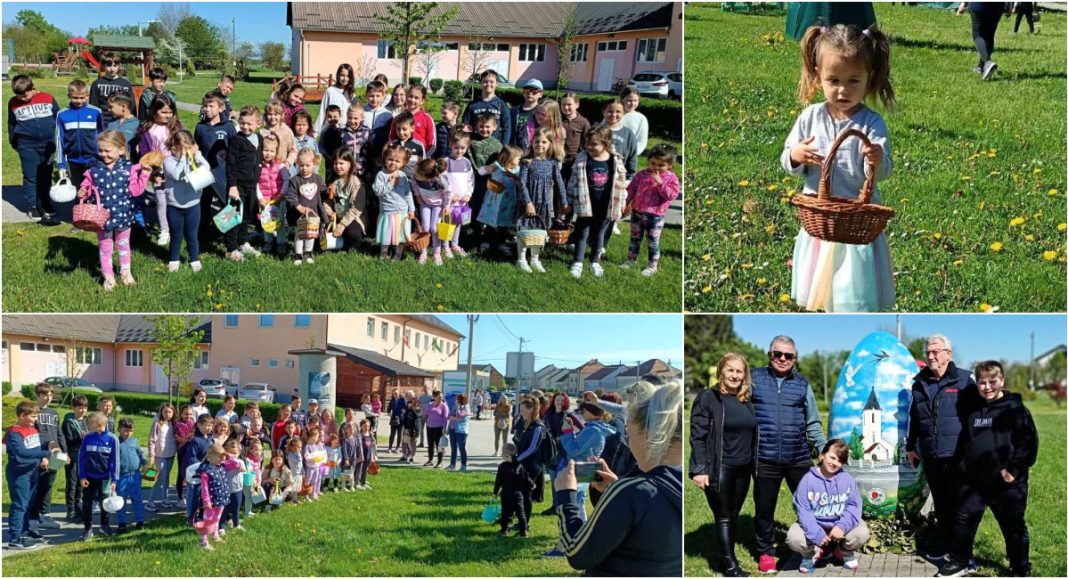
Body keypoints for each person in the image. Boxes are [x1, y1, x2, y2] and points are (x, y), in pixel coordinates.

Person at [785, 24, 895, 312]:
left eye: (853, 81)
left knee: (852, 283)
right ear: (818, 76)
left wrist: (877, 159)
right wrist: (797, 155)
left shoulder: (872, 124)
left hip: (857, 222)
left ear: (869, 79)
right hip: (820, 217)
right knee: (820, 278)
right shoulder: (810, 117)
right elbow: (787, 160)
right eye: (833, 80)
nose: (843, 90)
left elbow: (883, 172)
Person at [554, 381, 683, 577]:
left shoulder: (630, 492)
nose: (629, 444)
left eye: (629, 436)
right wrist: (615, 487)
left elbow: (577, 553)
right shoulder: (681, 484)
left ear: (650, 435)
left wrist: (566, 496)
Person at [937, 361, 1038, 577]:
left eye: (993, 382)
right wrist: (960, 469)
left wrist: (1012, 470)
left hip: (1006, 482)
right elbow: (966, 441)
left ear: (1002, 381)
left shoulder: (1015, 409)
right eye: (982, 383)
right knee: (964, 519)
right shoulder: (972, 409)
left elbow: (1028, 443)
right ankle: (960, 560)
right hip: (973, 482)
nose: (987, 387)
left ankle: (1020, 568)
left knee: (1013, 526)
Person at [751, 335, 827, 574]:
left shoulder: (803, 385)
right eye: (778, 354)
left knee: (809, 505)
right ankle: (766, 552)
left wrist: (823, 449)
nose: (782, 359)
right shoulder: (753, 379)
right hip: (765, 457)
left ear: (795, 359)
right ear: (769, 355)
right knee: (764, 509)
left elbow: (813, 421)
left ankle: (816, 545)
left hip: (799, 458)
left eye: (788, 356)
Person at [905, 334, 978, 566]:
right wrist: (911, 446)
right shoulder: (919, 383)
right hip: (931, 455)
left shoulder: (965, 381)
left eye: (936, 351)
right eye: (928, 351)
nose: (931, 355)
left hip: (958, 456)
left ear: (948, 353)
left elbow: (977, 418)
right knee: (942, 506)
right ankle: (947, 548)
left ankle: (966, 557)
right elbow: (915, 419)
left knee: (961, 509)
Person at [690, 353, 758, 577]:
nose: (735, 375)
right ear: (721, 372)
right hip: (720, 468)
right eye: (730, 370)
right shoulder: (708, 397)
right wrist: (699, 470)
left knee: (734, 513)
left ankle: (725, 556)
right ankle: (730, 567)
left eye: (739, 371)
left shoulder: (746, 400)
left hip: (743, 468)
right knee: (724, 516)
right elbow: (697, 436)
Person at [76, 130, 154, 290]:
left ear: (121, 150)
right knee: (105, 248)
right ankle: (108, 276)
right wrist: (83, 190)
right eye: (101, 150)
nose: (103, 154)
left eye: (107, 150)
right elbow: (86, 185)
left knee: (123, 245)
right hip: (101, 218)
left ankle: (126, 272)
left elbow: (136, 191)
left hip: (123, 215)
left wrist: (144, 175)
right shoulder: (93, 169)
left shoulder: (129, 168)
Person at [787, 440, 868, 574]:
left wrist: (842, 526)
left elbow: (854, 506)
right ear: (822, 455)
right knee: (794, 537)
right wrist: (816, 532)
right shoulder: (807, 480)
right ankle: (812, 554)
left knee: (862, 533)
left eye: (840, 461)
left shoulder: (847, 479)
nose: (835, 463)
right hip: (815, 523)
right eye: (832, 457)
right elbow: (803, 510)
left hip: (838, 524)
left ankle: (843, 552)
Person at [565, 125, 627, 279]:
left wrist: (623, 203)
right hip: (585, 205)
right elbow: (572, 182)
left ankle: (595, 261)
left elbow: (621, 185)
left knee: (599, 235)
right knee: (581, 234)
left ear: (606, 143)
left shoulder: (616, 161)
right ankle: (577, 262)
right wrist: (568, 201)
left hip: (606, 207)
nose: (589, 146)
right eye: (587, 143)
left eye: (594, 144)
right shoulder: (582, 159)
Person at [5, 401, 59, 549]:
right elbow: (23, 453)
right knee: (20, 505)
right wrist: (47, 453)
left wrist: (50, 444)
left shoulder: (32, 430)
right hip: (19, 474)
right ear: (22, 416)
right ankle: (15, 540)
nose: (35, 420)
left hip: (32, 472)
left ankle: (23, 533)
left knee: (28, 503)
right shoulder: (14, 433)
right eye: (33, 416)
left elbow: (39, 444)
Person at [8, 75, 59, 222]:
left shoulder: (48, 98)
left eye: (25, 95)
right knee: (31, 176)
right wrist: (14, 142)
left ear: (33, 88)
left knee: (45, 175)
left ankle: (45, 203)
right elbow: (11, 124)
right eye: (19, 96)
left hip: (48, 145)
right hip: (26, 145)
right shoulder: (13, 102)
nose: (23, 98)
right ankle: (32, 205)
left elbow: (58, 117)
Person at [624, 143, 680, 277]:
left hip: (655, 216)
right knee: (634, 239)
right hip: (637, 212)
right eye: (653, 163)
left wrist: (660, 183)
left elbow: (671, 195)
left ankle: (652, 265)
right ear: (648, 161)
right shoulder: (641, 174)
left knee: (652, 242)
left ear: (670, 166)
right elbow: (631, 189)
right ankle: (631, 260)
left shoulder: (670, 178)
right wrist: (625, 202)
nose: (656, 167)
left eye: (661, 165)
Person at [516, 127, 566, 273]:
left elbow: (560, 182)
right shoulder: (526, 162)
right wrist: (528, 203)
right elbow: (521, 184)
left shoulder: (552, 163)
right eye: (537, 141)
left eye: (544, 142)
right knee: (524, 228)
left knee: (539, 231)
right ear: (532, 142)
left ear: (550, 143)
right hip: (528, 202)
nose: (540, 144)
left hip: (544, 202)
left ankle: (535, 259)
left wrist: (564, 201)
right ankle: (521, 259)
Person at [161, 130, 208, 272]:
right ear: (173, 148)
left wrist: (198, 155)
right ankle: (174, 259)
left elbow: (207, 168)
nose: (185, 153)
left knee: (192, 235)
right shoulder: (168, 161)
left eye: (187, 149)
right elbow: (176, 174)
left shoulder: (194, 160)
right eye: (180, 149)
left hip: (193, 204)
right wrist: (182, 158)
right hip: (174, 206)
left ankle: (194, 259)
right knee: (176, 235)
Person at [224, 105, 265, 261]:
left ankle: (242, 242)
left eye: (250, 124)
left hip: (252, 185)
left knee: (246, 216)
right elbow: (230, 165)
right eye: (243, 123)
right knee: (232, 217)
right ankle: (231, 248)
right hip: (237, 185)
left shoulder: (259, 138)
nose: (246, 127)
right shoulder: (236, 140)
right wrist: (232, 186)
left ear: (258, 124)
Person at [194, 92, 235, 242]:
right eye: (205, 106)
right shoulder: (200, 127)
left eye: (211, 106)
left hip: (222, 173)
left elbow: (234, 149)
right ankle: (203, 234)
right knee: (203, 203)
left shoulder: (229, 127)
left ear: (221, 108)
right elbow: (195, 146)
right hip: (203, 173)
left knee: (226, 204)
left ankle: (228, 234)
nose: (207, 109)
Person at [56, 79, 104, 200]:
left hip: (93, 159)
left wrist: (102, 156)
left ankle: (95, 216)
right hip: (73, 160)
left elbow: (102, 135)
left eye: (82, 98)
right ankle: (79, 216)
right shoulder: (62, 114)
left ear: (87, 96)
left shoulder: (96, 112)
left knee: (95, 189)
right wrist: (61, 165)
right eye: (75, 98)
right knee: (79, 190)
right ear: (69, 96)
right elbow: (59, 140)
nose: (79, 101)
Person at [28, 383, 65, 532]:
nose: (48, 397)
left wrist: (64, 451)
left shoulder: (54, 413)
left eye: (50, 395)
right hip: (40, 456)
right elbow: (33, 436)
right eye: (45, 395)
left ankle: (45, 515)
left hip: (54, 455)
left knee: (48, 485)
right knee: (36, 486)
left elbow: (58, 433)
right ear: (38, 395)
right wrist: (41, 456)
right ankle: (32, 518)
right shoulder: (33, 412)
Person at [285, 148, 332, 265]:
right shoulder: (295, 180)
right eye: (301, 165)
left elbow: (323, 192)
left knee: (311, 233)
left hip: (314, 212)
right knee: (300, 234)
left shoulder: (317, 178)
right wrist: (298, 206)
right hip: (299, 213)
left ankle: (308, 252)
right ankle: (297, 254)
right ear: (297, 164)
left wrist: (329, 191)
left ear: (314, 164)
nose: (304, 168)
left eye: (307, 165)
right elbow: (290, 195)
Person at [476, 144, 522, 257]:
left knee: (504, 225)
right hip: (494, 203)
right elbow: (480, 172)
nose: (520, 160)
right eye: (518, 158)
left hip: (508, 203)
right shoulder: (497, 167)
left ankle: (501, 243)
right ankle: (486, 242)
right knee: (491, 223)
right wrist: (487, 168)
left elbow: (521, 183)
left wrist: (516, 178)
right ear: (509, 158)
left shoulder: (518, 170)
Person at [79, 411, 119, 540]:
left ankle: (104, 525)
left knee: (105, 502)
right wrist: (82, 476)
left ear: (99, 424)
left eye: (89, 424)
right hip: (89, 477)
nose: (87, 426)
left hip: (105, 477)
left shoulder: (112, 439)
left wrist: (114, 479)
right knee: (87, 502)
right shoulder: (87, 437)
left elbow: (115, 460)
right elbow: (82, 457)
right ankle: (87, 528)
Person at [374, 143, 417, 260]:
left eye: (397, 161)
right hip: (387, 212)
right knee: (386, 235)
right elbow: (378, 191)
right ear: (385, 159)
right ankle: (383, 254)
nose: (393, 163)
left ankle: (397, 255)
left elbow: (408, 194)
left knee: (400, 236)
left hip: (402, 212)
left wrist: (411, 209)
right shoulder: (381, 175)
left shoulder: (402, 175)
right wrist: (390, 184)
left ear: (403, 163)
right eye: (390, 159)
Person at [513, 397, 550, 517]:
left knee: (525, 494)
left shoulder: (538, 427)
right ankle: (513, 516)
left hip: (533, 465)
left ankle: (524, 522)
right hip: (525, 463)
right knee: (518, 492)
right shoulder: (527, 424)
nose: (521, 413)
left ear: (531, 410)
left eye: (523, 410)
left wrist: (517, 459)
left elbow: (532, 448)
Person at [412, 157, 451, 265]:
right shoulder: (416, 174)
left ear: (428, 177)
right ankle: (423, 252)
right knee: (425, 228)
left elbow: (448, 193)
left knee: (434, 228)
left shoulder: (440, 181)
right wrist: (417, 195)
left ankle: (436, 253)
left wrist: (446, 206)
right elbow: (414, 184)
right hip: (425, 204)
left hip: (438, 205)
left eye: (419, 175)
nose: (415, 174)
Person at [194, 443, 232, 549]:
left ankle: (215, 535)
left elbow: (235, 463)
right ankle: (203, 542)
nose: (222, 459)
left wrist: (228, 455)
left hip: (221, 499)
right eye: (219, 456)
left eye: (223, 456)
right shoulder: (206, 471)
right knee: (207, 521)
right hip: (211, 502)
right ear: (209, 456)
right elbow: (205, 489)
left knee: (217, 519)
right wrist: (207, 502)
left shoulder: (221, 466)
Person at [494, 442, 533, 538]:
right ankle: (523, 532)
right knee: (521, 513)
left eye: (502, 452)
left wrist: (495, 492)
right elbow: (526, 478)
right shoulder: (520, 465)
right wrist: (531, 485)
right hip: (518, 494)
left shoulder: (503, 466)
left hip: (506, 494)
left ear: (506, 453)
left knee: (506, 513)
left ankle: (504, 531)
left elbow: (498, 481)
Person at [114, 418, 147, 532]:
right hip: (121, 477)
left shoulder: (134, 441)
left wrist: (145, 463)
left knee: (137, 499)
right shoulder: (116, 443)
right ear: (119, 429)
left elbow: (140, 453)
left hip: (135, 476)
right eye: (125, 430)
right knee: (121, 500)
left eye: (131, 430)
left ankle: (140, 521)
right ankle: (122, 522)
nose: (128, 433)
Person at [463, 69, 512, 145]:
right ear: (481, 84)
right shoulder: (473, 104)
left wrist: (504, 147)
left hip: (495, 147)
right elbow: (465, 125)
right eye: (485, 81)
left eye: (492, 82)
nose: (488, 84)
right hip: (475, 146)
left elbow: (507, 128)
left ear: (497, 84)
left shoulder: (501, 105)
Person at [958, 2, 1005, 80]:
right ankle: (981, 67)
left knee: (977, 35)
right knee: (989, 36)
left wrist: (963, 3)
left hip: (979, 4)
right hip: (998, 6)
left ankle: (987, 62)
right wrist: (1009, 4)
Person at [61, 395, 90, 524]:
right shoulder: (69, 421)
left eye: (84, 408)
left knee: (81, 483)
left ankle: (78, 507)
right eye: (79, 408)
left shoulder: (87, 421)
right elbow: (66, 440)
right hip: (72, 456)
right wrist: (80, 438)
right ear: (73, 408)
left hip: (84, 457)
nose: (82, 410)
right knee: (71, 484)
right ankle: (70, 510)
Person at [146, 402, 178, 511]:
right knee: (161, 478)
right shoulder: (157, 423)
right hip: (160, 456)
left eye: (170, 412)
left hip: (171, 455)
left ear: (173, 413)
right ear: (161, 412)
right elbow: (152, 440)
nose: (167, 414)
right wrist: (151, 455)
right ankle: (150, 501)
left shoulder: (173, 424)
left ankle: (165, 499)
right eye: (165, 412)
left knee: (166, 478)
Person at [89, 51, 132, 127]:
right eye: (109, 66)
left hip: (121, 123)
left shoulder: (126, 84)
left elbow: (131, 106)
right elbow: (93, 106)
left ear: (119, 66)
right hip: (102, 122)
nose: (112, 69)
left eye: (115, 66)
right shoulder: (96, 84)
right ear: (104, 66)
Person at [315, 63, 356, 134]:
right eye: (342, 75)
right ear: (338, 75)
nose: (345, 78)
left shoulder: (352, 95)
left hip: (346, 131)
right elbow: (323, 111)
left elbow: (355, 113)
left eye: (348, 76)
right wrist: (316, 131)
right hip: (330, 130)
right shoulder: (330, 91)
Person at [560, 93, 590, 186]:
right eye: (563, 104)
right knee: (559, 185)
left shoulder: (583, 122)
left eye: (569, 104)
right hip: (559, 159)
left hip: (575, 160)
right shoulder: (558, 120)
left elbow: (586, 141)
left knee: (572, 185)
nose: (566, 107)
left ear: (577, 105)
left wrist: (580, 156)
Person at [340, 106, 372, 179]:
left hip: (363, 170)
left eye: (355, 118)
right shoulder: (342, 132)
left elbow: (371, 152)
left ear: (362, 118)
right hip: (346, 170)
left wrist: (370, 170)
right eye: (350, 118)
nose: (352, 121)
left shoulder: (367, 132)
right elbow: (339, 152)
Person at [511, 78, 543, 147]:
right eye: (527, 90)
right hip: (514, 150)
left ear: (540, 94)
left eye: (534, 91)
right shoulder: (514, 110)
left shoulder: (541, 112)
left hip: (531, 150)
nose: (530, 93)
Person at [107, 93, 139, 158]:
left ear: (123, 107)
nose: (108, 109)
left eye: (111, 107)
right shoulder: (111, 123)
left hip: (129, 164)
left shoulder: (137, 124)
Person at [423, 391, 450, 467]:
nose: (440, 398)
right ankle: (430, 460)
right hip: (429, 427)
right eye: (439, 397)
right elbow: (426, 413)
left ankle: (439, 462)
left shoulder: (444, 406)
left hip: (439, 428)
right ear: (434, 397)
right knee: (430, 444)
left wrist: (444, 428)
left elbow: (445, 418)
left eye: (441, 397)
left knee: (439, 445)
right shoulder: (430, 405)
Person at [619, 87, 649, 156]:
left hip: (628, 156)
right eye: (629, 100)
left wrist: (631, 155)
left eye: (635, 100)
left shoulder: (641, 118)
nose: (632, 103)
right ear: (622, 100)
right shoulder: (613, 114)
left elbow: (642, 141)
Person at [447, 393, 472, 472]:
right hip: (452, 429)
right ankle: (452, 464)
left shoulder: (466, 408)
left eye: (458, 399)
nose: (456, 400)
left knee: (462, 449)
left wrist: (457, 410)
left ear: (462, 400)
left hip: (461, 431)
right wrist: (448, 427)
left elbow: (460, 416)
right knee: (453, 448)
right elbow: (449, 416)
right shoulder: (455, 407)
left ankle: (463, 466)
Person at [355, 419, 378, 490]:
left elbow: (373, 445)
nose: (366, 427)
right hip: (361, 455)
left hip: (368, 455)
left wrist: (373, 456)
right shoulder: (359, 435)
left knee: (365, 469)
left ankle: (363, 482)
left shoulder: (370, 435)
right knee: (359, 468)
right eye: (364, 426)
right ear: (361, 426)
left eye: (368, 426)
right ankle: (357, 482)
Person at [401, 395, 422, 463]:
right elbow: (405, 418)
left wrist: (413, 409)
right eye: (412, 401)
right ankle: (404, 455)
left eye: (414, 402)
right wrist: (405, 427)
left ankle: (412, 457)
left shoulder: (419, 409)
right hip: (408, 428)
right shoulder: (408, 409)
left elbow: (417, 416)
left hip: (415, 429)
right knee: (404, 442)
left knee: (413, 443)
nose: (412, 403)